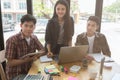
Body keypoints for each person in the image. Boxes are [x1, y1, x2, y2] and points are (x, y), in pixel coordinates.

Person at [5, 14, 45, 80]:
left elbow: (43, 50)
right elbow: (9, 63)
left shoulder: (34, 38)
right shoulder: (12, 40)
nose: (28, 29)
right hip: (16, 75)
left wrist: (36, 56)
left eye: (31, 26)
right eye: (26, 25)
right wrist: (27, 60)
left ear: (34, 27)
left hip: (30, 71)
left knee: (47, 76)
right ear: (21, 25)